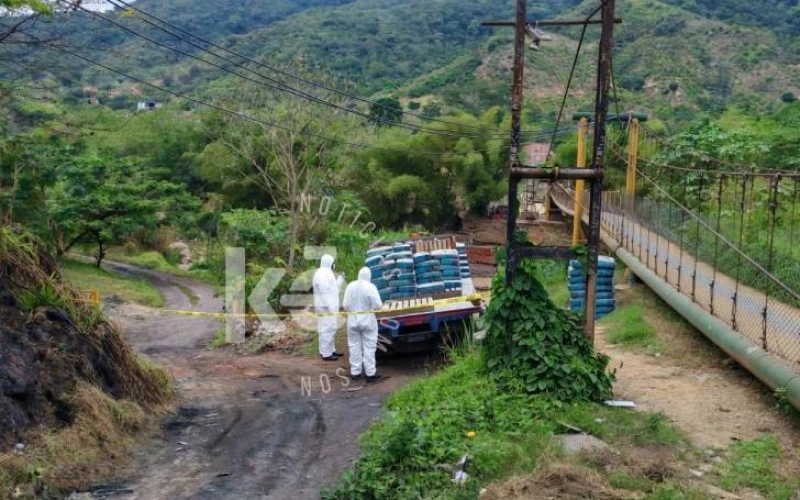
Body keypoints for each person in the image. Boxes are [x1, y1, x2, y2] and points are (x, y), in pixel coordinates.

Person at [343, 267, 383, 382]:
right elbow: (378, 305)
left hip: (352, 320)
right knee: (369, 346)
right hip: (368, 321)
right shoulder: (371, 287)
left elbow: (345, 305)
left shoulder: (350, 286)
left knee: (354, 345)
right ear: (369, 276)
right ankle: (370, 373)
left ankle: (355, 372)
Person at [313, 254, 344, 361]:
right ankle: (326, 354)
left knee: (324, 329)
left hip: (324, 306)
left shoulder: (324, 273)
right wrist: (330, 307)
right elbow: (324, 292)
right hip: (326, 307)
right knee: (329, 328)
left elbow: (333, 290)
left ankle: (328, 350)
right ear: (329, 263)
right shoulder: (323, 274)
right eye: (333, 263)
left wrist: (340, 280)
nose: (334, 265)